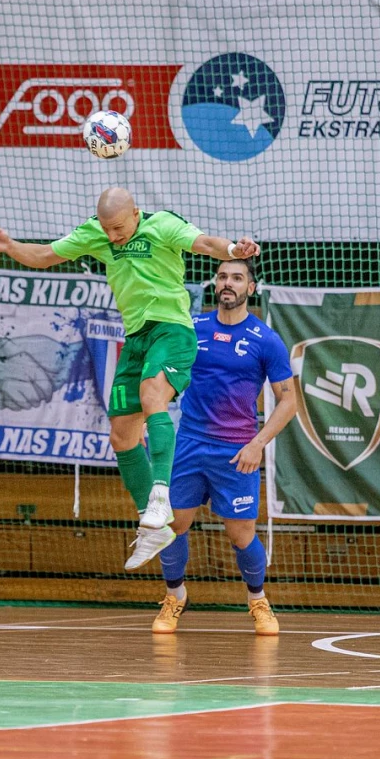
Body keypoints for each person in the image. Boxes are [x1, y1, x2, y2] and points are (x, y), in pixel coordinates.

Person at [0, 188, 260, 564]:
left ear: (135, 214)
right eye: (107, 229)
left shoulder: (162, 225)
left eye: (118, 228)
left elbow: (206, 243)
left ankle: (160, 495)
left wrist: (233, 250)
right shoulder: (95, 233)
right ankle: (153, 526)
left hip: (172, 330)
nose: (112, 237)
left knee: (152, 396)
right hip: (136, 337)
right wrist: (10, 245)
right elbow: (45, 255)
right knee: (122, 436)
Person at [141, 258, 298, 635]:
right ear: (215, 284)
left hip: (237, 452)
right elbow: (161, 378)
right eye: (223, 276)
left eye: (237, 278)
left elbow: (289, 401)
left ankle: (258, 599)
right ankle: (175, 596)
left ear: (251, 288)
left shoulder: (266, 339)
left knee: (241, 534)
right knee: (173, 525)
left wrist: (258, 444)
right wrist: (151, 418)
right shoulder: (191, 329)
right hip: (189, 445)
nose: (228, 283)